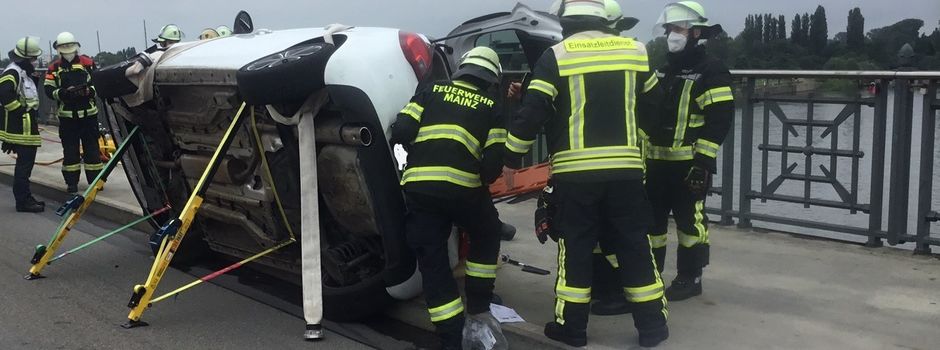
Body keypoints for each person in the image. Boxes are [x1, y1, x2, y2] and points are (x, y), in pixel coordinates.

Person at [505, 0, 668, 347]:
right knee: (634, 245)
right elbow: (656, 108)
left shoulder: (557, 56)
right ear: (606, 21)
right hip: (625, 172)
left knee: (576, 248)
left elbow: (533, 111)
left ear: (566, 23)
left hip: (577, 176)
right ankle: (653, 327)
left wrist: (510, 154)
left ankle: (572, 327)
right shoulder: (636, 51)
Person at [390, 47, 508, 350]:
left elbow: (401, 129)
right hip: (464, 192)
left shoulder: (431, 91)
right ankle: (479, 302)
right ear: (491, 79)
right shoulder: (493, 106)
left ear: (463, 68)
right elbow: (493, 166)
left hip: (420, 189)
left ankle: (451, 338)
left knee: (434, 262)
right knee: (488, 231)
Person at [646, 1, 734, 301]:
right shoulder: (662, 69)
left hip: (689, 165)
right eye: (670, 28)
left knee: (690, 224)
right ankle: (650, 276)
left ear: (697, 32)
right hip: (655, 162)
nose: (673, 34)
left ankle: (690, 277)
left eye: (679, 28)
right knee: (652, 225)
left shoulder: (712, 71)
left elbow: (720, 120)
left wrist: (704, 161)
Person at [45, 32, 102, 193]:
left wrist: (87, 91)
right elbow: (48, 89)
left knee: (92, 150)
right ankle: (72, 183)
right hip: (67, 117)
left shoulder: (88, 63)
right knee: (70, 152)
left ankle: (95, 182)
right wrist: (63, 93)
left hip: (88, 115)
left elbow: (97, 83)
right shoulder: (54, 68)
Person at [0, 37, 45, 212]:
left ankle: (26, 197)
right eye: (32, 59)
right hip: (21, 128)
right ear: (24, 59)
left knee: (25, 165)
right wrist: (20, 111)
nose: (34, 62)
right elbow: (4, 94)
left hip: (26, 126)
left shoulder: (22, 72)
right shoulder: (13, 73)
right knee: (24, 166)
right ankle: (23, 201)